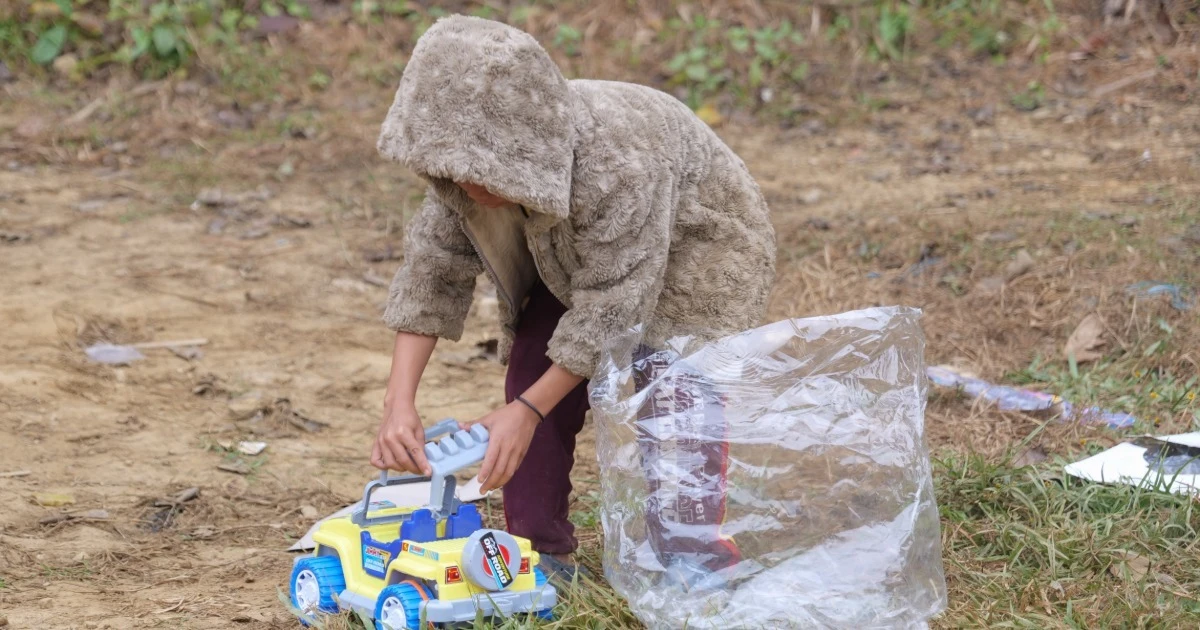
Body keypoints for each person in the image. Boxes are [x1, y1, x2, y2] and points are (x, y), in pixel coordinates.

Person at [369, 15, 776, 585]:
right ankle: (539, 555)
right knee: (532, 368)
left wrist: (528, 412)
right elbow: (431, 272)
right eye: (459, 175)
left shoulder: (619, 166)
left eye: (484, 176)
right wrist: (399, 403)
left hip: (696, 246)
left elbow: (615, 305)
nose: (470, 189)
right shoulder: (461, 169)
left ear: (524, 153)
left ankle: (692, 560)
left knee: (673, 391)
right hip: (582, 253)